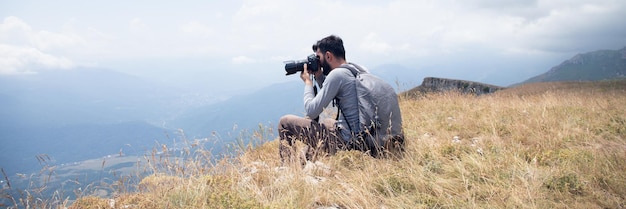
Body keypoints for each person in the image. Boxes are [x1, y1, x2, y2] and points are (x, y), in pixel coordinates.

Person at [278, 35, 404, 164]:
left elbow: (311, 111)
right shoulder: (357, 69)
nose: (318, 62)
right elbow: (335, 93)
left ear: (328, 56)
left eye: (319, 58)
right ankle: (306, 160)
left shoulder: (337, 74)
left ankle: (287, 169)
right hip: (366, 138)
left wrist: (308, 83)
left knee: (285, 122)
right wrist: (319, 76)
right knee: (327, 122)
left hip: (349, 142)